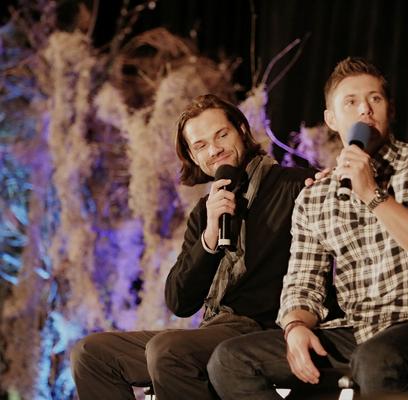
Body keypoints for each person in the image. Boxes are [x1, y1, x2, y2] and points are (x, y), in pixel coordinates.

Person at [208, 57, 408, 398]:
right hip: (358, 330)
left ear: (390, 110)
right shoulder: (315, 196)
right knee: (230, 360)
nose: (365, 109)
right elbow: (303, 283)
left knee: (375, 358)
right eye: (351, 102)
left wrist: (372, 195)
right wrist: (295, 326)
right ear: (331, 119)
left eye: (375, 99)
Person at [69, 94, 315, 399]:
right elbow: (179, 301)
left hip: (267, 329)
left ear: (241, 130)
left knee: (169, 350)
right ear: (193, 157)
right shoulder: (205, 211)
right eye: (200, 146)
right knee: (91, 354)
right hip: (214, 331)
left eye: (221, 135)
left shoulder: (296, 186)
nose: (214, 150)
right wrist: (209, 237)